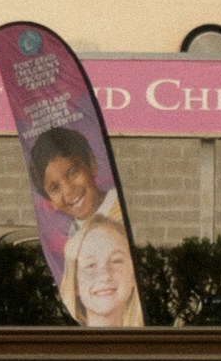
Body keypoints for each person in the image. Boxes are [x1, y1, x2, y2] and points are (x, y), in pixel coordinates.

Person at [28, 125, 144, 332]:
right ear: (49, 201)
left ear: (91, 164)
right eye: (55, 188)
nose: (69, 190)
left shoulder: (129, 212)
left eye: (72, 172)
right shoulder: (72, 246)